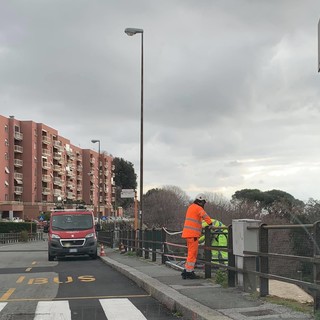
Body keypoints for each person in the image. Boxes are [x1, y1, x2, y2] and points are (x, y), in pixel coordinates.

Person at [181, 193, 214, 279]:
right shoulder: (198, 208)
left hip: (188, 234)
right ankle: (189, 272)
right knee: (192, 254)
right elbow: (205, 216)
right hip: (193, 235)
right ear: (202, 202)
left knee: (190, 254)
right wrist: (211, 224)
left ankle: (186, 270)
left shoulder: (191, 207)